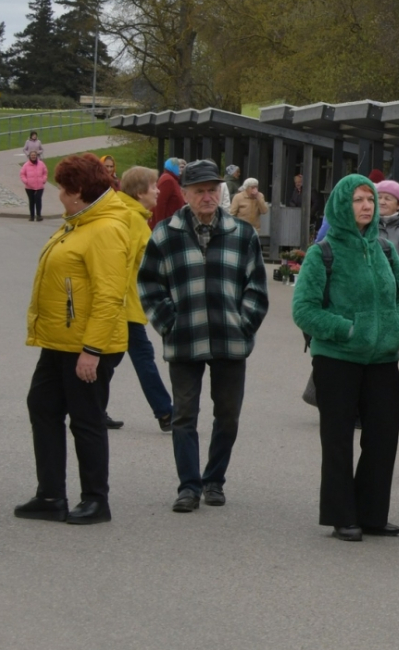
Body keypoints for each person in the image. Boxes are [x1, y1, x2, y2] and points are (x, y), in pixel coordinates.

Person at [138, 159, 269, 513]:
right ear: (185, 194)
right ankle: (188, 485)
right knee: (184, 416)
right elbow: (148, 284)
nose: (207, 196)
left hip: (231, 340)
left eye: (213, 190)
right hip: (184, 338)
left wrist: (244, 324)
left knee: (228, 415)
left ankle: (214, 480)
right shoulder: (165, 233)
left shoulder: (242, 234)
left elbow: (256, 287)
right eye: (199, 191)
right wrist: (169, 322)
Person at [293, 175, 399, 542]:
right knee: (338, 439)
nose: (366, 206)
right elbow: (304, 310)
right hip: (337, 360)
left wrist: (397, 327)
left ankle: (372, 513)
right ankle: (341, 514)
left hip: (382, 360)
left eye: (369, 200)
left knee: (382, 438)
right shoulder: (323, 252)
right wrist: (347, 330)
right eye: (357, 200)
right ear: (341, 206)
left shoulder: (386, 250)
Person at [16, 153, 132, 525]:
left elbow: (110, 294)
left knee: (86, 420)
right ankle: (50, 495)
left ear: (78, 192)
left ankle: (96, 500)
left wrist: (92, 350)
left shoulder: (106, 228)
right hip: (60, 342)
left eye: (62, 190)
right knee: (43, 406)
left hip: (87, 346)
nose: (59, 196)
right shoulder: (81, 221)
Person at [115, 166, 175, 433]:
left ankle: (89, 405)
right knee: (142, 356)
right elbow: (127, 265)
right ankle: (165, 411)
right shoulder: (131, 219)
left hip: (125, 304)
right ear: (140, 193)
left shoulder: (132, 215)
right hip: (123, 305)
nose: (158, 190)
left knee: (108, 360)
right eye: (153, 187)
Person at [151, 158, 185, 229]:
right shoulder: (168, 180)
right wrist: (160, 226)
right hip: (167, 225)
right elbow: (160, 204)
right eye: (177, 166)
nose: (179, 169)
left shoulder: (172, 179)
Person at [20, 149, 47, 221]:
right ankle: (32, 216)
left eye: (34, 155)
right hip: (29, 187)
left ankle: (38, 215)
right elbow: (22, 174)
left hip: (39, 186)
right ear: (30, 156)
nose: (33, 157)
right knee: (31, 201)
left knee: (38, 200)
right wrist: (26, 181)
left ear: (36, 156)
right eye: (32, 155)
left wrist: (43, 180)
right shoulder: (26, 165)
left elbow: (45, 172)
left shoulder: (41, 164)